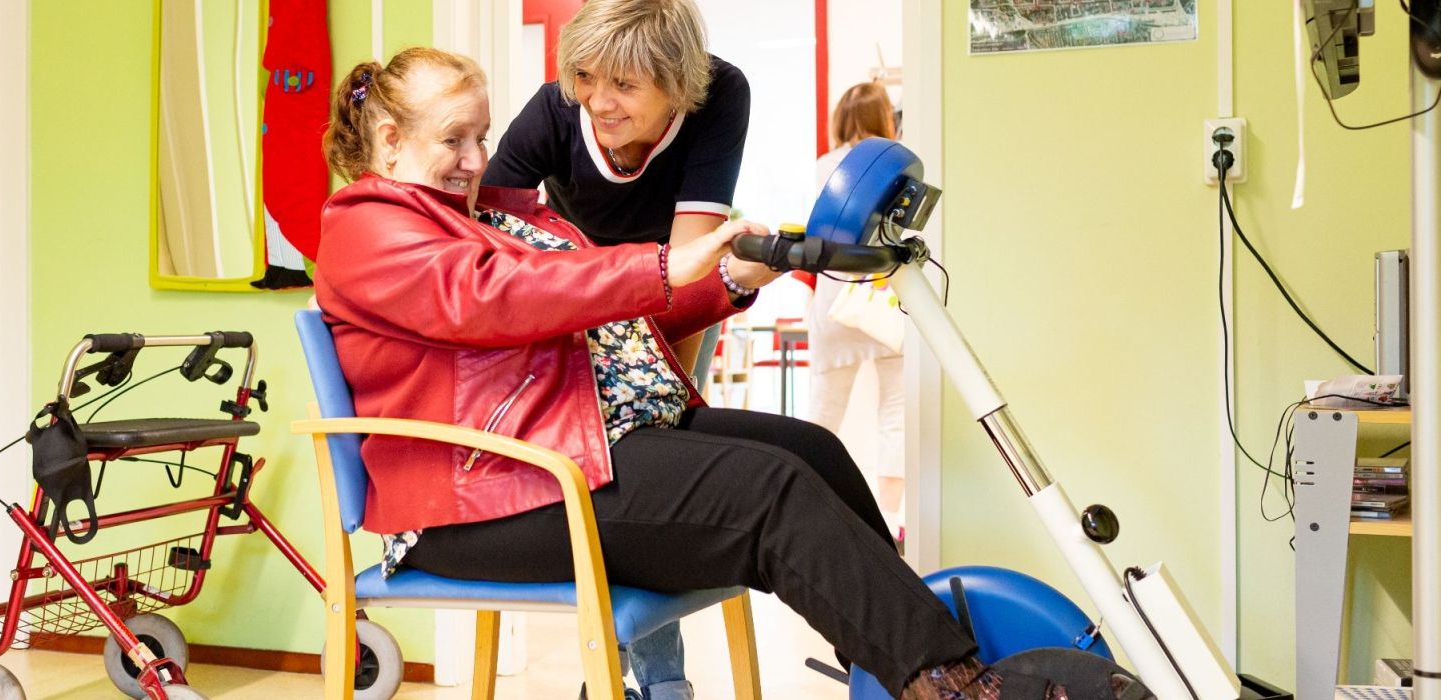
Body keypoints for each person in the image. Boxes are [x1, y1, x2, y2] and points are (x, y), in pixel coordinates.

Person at [316, 47, 1093, 700]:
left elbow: (603, 326)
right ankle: (953, 685)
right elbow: (500, 299)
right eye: (456, 140)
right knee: (768, 496)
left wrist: (730, 281)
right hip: (490, 492)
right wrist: (660, 262)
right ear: (388, 140)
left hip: (567, 445)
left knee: (809, 451)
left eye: (483, 136)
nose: (480, 159)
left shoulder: (483, 215)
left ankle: (896, 670)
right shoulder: (365, 227)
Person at [480, 1, 750, 692]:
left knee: (653, 463)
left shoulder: (721, 94)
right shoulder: (552, 110)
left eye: (624, 85)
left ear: (677, 85)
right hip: (575, 303)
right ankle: (634, 681)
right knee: (610, 480)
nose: (598, 101)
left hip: (674, 293)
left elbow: (687, 272)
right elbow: (490, 250)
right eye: (586, 76)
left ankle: (636, 681)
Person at [809, 81, 909, 546]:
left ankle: (809, 503)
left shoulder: (826, 168)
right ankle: (889, 517)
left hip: (835, 302)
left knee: (824, 411)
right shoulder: (898, 165)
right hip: (884, 297)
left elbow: (813, 235)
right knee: (896, 410)